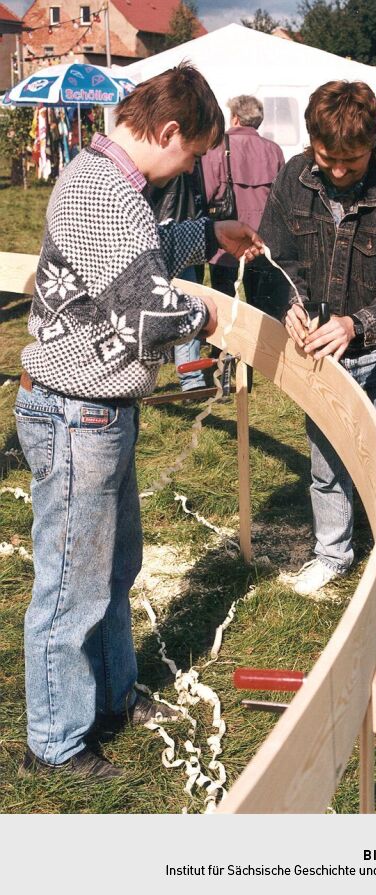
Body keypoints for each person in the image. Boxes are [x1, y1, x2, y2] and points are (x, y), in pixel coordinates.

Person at [14, 63, 263, 780]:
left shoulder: (111, 184)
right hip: (75, 415)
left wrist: (208, 231)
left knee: (112, 570)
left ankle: (114, 697)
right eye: (190, 156)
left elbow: (138, 255)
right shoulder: (103, 194)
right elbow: (150, 316)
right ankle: (55, 745)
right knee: (71, 588)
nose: (186, 167)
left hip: (97, 412)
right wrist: (205, 312)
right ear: (168, 131)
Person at [255, 80, 376, 651]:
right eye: (326, 159)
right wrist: (286, 304)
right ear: (311, 145)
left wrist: (354, 325)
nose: (337, 172)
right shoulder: (294, 176)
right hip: (318, 351)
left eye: (351, 160)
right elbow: (273, 255)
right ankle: (332, 555)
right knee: (326, 463)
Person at [202, 94, 285, 303]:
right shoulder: (273, 150)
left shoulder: (217, 147)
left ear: (235, 118)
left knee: (223, 308)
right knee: (262, 310)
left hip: (226, 242)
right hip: (262, 242)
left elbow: (206, 193)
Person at [147, 165, 208, 392]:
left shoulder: (155, 160)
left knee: (170, 306)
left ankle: (189, 377)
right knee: (186, 306)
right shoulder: (181, 160)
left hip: (162, 232)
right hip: (180, 229)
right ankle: (191, 377)